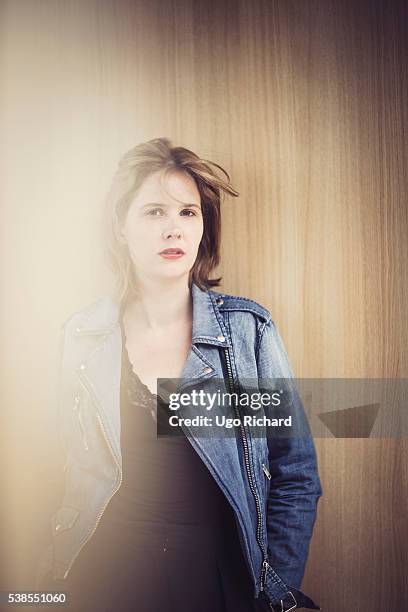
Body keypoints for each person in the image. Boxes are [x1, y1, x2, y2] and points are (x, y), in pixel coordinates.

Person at [35, 138, 322, 611]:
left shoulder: (248, 331)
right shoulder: (81, 336)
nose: (174, 229)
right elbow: (46, 470)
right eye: (154, 212)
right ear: (121, 227)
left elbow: (296, 476)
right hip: (103, 575)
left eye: (188, 213)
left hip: (217, 577)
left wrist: (273, 590)